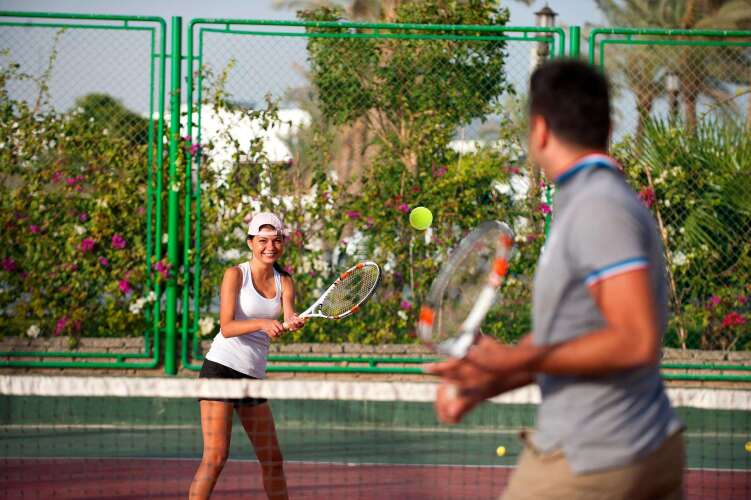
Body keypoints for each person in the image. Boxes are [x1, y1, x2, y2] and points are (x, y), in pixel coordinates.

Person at [426, 59, 685, 499]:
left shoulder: (599, 206)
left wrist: (514, 360)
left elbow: (635, 341)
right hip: (632, 445)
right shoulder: (586, 200)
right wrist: (493, 380)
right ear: (607, 127)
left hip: (593, 457)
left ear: (541, 130)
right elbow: (574, 336)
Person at [189, 212, 305, 500]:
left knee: (273, 460)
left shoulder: (285, 281)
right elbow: (227, 327)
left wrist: (291, 322)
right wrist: (263, 323)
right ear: (250, 243)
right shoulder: (235, 275)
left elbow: (287, 316)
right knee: (216, 457)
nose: (270, 247)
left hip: (252, 378)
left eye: (276, 240)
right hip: (220, 370)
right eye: (262, 240)